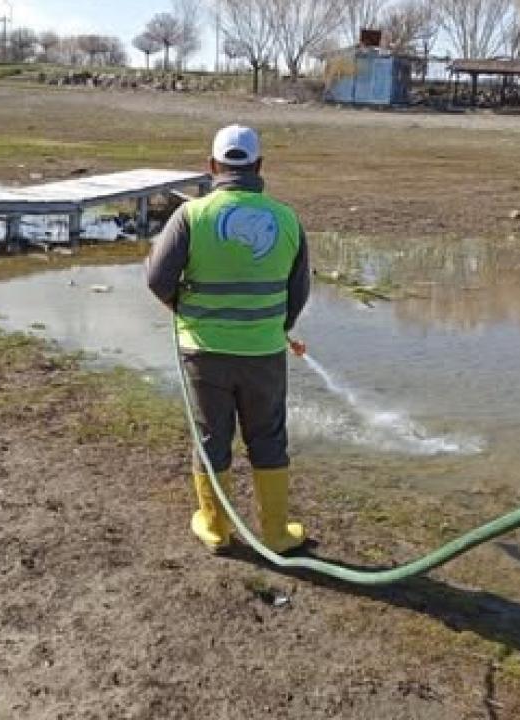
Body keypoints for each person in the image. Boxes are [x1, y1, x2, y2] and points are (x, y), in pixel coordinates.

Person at [145, 124, 310, 554]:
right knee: (268, 437)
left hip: (203, 352)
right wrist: (278, 327)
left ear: (212, 166)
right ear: (259, 166)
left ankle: (217, 530)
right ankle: (275, 532)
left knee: (210, 437)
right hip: (264, 353)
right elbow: (299, 291)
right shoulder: (287, 218)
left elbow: (158, 279)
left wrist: (181, 306)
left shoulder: (192, 216)